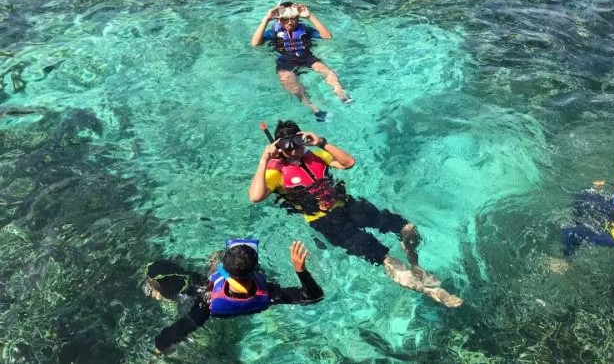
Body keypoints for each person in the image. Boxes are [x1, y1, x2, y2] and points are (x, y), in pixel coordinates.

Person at [248, 120, 463, 308]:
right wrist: (264, 159)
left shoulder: (313, 154)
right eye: (287, 147)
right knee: (384, 258)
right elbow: (255, 196)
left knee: (407, 227)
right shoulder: (276, 171)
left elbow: (348, 163)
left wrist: (321, 142)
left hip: (348, 205)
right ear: (278, 148)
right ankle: (432, 291)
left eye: (296, 143)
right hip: (325, 222)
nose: (293, 150)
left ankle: (415, 264)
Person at [145, 239, 323, 355]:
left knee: (157, 269)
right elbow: (314, 296)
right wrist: (300, 269)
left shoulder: (207, 302)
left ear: (224, 269)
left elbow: (172, 333)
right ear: (255, 270)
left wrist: (158, 349)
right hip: (247, 297)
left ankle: (164, 292)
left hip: (211, 298)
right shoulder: (269, 294)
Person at [250, 1, 352, 122]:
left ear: (298, 18)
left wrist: (310, 16)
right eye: (285, 20)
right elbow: (255, 43)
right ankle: (315, 109)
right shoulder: (274, 32)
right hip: (285, 60)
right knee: (290, 84)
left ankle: (341, 95)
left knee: (327, 71)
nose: (289, 23)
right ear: (279, 20)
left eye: (293, 19)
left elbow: (327, 37)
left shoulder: (305, 29)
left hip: (306, 56)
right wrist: (266, 19)